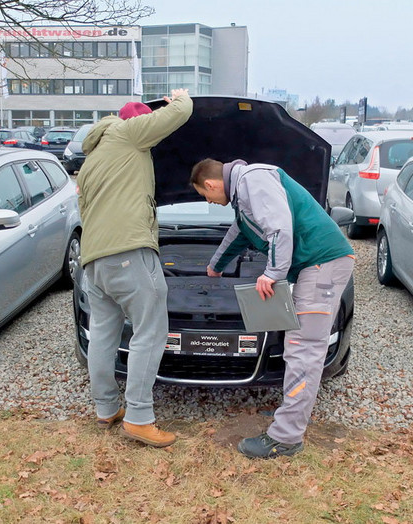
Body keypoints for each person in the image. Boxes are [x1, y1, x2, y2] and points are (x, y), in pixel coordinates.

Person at [190, 158, 355, 458]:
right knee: (298, 346)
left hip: (323, 264)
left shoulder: (255, 179)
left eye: (205, 195)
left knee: (303, 349)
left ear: (212, 184)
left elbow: (279, 227)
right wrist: (215, 267)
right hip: (315, 265)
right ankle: (288, 418)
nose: (209, 201)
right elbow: (238, 234)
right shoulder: (244, 195)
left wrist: (273, 273)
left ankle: (286, 437)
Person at [76, 89, 192, 448]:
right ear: (135, 123)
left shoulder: (93, 160)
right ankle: (139, 417)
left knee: (104, 334)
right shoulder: (126, 133)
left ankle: (107, 407)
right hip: (128, 252)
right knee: (150, 331)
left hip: (94, 261)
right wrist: (180, 99)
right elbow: (177, 116)